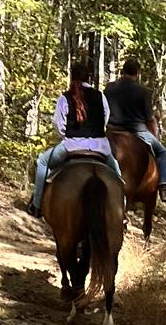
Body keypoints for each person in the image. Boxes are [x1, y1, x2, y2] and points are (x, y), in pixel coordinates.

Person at [28, 59, 124, 217]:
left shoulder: (65, 98)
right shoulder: (100, 97)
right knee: (118, 175)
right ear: (89, 78)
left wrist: (70, 135)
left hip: (72, 146)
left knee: (43, 162)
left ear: (72, 78)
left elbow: (60, 126)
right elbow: (105, 120)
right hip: (100, 147)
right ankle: (122, 213)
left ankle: (36, 205)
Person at [104, 56, 166, 192]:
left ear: (122, 71)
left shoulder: (110, 88)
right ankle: (164, 184)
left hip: (111, 129)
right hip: (137, 131)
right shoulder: (142, 91)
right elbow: (148, 118)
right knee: (161, 151)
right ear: (137, 73)